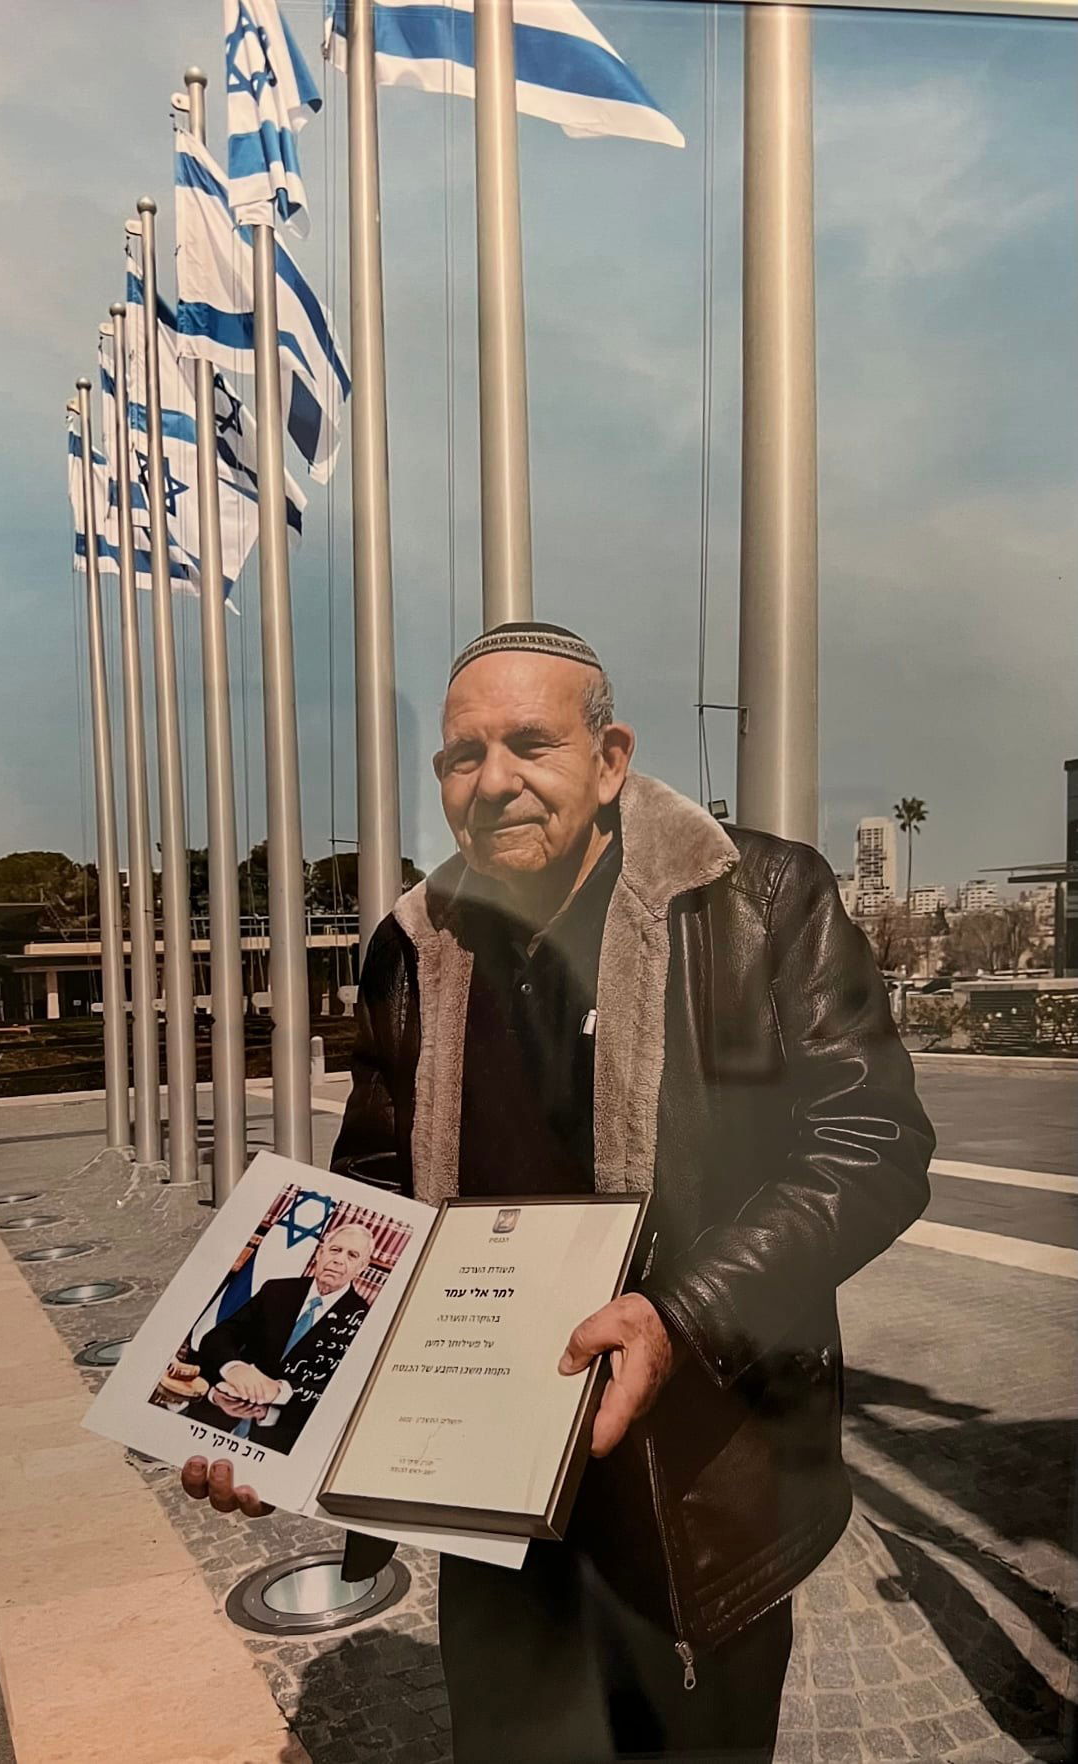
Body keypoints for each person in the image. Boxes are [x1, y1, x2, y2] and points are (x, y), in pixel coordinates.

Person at [183, 622, 934, 1762]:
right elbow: (376, 1191)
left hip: (693, 1482)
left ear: (611, 758)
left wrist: (679, 1316)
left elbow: (872, 1142)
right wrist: (275, 1411)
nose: (494, 782)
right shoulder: (412, 944)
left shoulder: (754, 899)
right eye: (462, 756)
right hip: (486, 1492)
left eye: (530, 744)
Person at [183, 1221, 374, 1453]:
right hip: (219, 1412)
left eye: (352, 1255)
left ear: (362, 1267)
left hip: (284, 1439)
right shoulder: (277, 1290)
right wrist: (234, 1368)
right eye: (335, 1250)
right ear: (319, 1253)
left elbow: (346, 1390)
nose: (339, 1260)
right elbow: (219, 1336)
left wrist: (280, 1391)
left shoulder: (366, 1320)